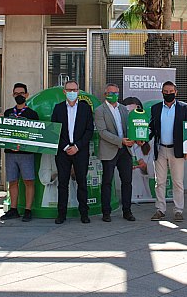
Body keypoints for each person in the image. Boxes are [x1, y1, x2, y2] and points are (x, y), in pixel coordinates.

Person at [148, 81, 187, 222]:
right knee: (159, 182)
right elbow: (151, 128)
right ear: (162, 92)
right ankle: (160, 209)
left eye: (171, 91)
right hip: (160, 149)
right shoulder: (155, 108)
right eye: (165, 92)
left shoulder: (183, 107)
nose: (168, 94)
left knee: (177, 182)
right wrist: (142, 138)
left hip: (177, 150)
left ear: (176, 92)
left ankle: (178, 210)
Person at [51, 80, 94, 224]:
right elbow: (54, 130)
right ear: (64, 92)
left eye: (74, 90)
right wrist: (65, 147)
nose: (72, 92)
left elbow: (89, 131)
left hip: (80, 151)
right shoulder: (57, 108)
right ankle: (61, 214)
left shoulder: (85, 108)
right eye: (69, 90)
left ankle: (84, 213)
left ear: (78, 91)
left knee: (82, 182)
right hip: (63, 152)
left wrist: (77, 146)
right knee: (63, 183)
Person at [94, 83, 135, 222]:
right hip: (109, 150)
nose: (114, 95)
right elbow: (102, 132)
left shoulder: (124, 109)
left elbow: (129, 128)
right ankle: (106, 212)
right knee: (107, 182)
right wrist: (120, 141)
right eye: (111, 93)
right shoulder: (100, 110)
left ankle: (127, 211)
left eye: (116, 93)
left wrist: (134, 138)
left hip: (125, 151)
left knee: (127, 181)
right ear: (105, 94)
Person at [1, 83, 40, 222]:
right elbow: (2, 133)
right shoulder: (7, 113)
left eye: (21, 93)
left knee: (29, 181)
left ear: (27, 95)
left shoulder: (32, 114)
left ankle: (28, 210)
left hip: (26, 153)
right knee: (12, 181)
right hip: (10, 153)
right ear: (13, 95)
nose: (19, 96)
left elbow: (36, 135)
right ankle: (13, 209)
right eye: (16, 94)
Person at [123, 97, 154, 201]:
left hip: (145, 197)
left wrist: (144, 167)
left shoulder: (149, 137)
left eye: (134, 112)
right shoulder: (121, 136)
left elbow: (155, 172)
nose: (132, 116)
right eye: (128, 112)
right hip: (126, 196)